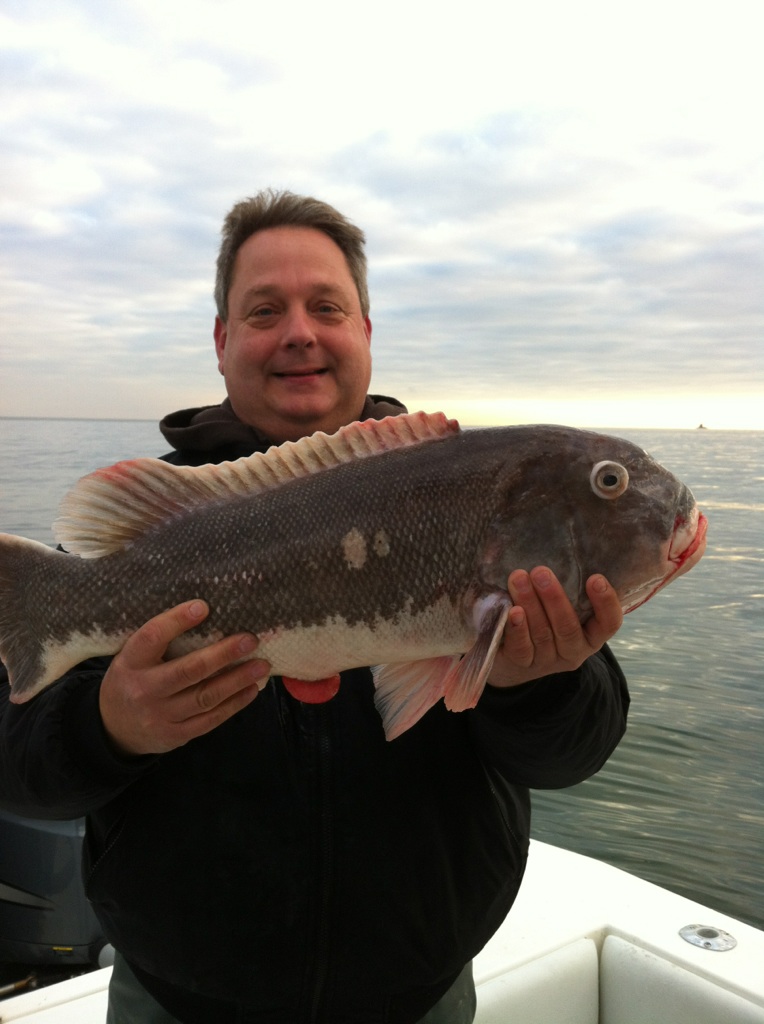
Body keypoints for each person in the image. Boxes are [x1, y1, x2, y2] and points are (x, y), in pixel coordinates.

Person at [0, 189, 628, 1023]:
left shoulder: (476, 498)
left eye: (326, 306)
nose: (299, 331)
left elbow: (570, 756)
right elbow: (17, 772)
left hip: (420, 998)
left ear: (364, 332)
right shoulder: (151, 537)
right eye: (265, 310)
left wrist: (537, 682)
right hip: (175, 1002)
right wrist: (108, 724)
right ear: (223, 344)